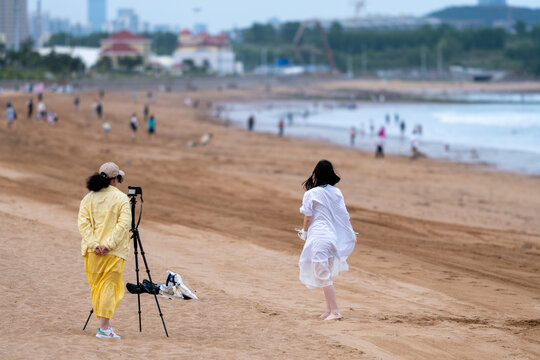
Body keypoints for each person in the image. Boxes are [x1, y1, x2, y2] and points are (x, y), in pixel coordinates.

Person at [298, 160, 356, 321]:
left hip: (319, 237)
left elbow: (308, 217)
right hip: (332, 237)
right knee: (326, 274)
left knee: (323, 275)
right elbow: (342, 215)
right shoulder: (336, 192)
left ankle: (335, 312)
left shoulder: (311, 194)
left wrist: (304, 232)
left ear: (316, 175)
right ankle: (328, 310)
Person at [78, 162, 130, 339]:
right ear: (115, 179)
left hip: (92, 253)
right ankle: (104, 328)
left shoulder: (88, 198)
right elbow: (123, 225)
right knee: (109, 288)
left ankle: (104, 326)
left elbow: (83, 225)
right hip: (113, 252)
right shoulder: (122, 199)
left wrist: (95, 244)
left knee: (97, 288)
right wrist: (107, 245)